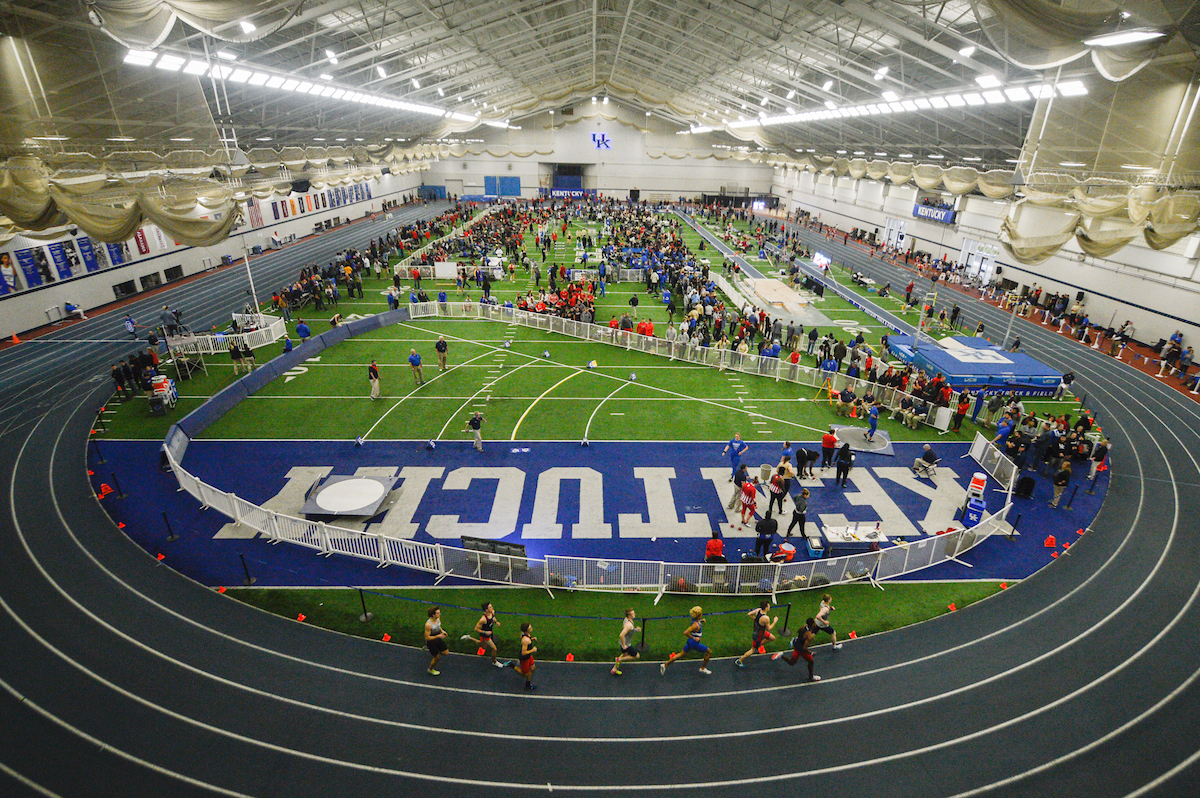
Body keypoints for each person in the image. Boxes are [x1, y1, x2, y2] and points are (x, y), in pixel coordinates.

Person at [660, 606, 712, 675]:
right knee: (709, 652)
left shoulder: (695, 620)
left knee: (681, 654)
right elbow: (686, 632)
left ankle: (665, 665)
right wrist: (694, 638)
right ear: (699, 615)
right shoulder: (695, 625)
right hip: (694, 643)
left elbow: (696, 623)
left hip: (690, 642)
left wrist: (701, 621)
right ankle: (702, 668)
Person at [461, 601, 505, 667]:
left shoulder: (492, 612)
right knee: (494, 649)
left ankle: (469, 638)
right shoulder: (483, 619)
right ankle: (495, 662)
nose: (492, 608)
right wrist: (485, 632)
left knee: (482, 645)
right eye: (490, 607)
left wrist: (496, 622)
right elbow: (476, 629)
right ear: (486, 610)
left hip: (490, 632)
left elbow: (493, 618)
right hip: (485, 635)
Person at [736, 600, 778, 668]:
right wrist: (775, 621)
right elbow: (769, 628)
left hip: (760, 631)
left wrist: (756, 619)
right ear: (766, 608)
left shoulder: (758, 610)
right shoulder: (766, 618)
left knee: (772, 638)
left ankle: (759, 644)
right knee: (753, 650)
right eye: (768, 605)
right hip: (759, 635)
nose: (770, 606)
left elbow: (749, 614)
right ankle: (740, 660)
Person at [612, 609, 642, 676]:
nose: (635, 614)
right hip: (627, 644)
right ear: (629, 615)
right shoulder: (629, 625)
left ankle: (614, 669)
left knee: (625, 654)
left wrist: (636, 630)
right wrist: (624, 645)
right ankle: (619, 659)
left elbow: (629, 630)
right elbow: (621, 635)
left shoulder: (626, 620)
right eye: (633, 614)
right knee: (637, 656)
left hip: (622, 643)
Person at [424, 606, 449, 676]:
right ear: (433, 615)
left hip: (437, 638)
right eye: (438, 613)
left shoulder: (437, 619)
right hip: (431, 641)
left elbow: (438, 626)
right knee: (437, 658)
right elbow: (427, 638)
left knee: (446, 653)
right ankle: (430, 669)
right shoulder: (428, 625)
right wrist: (438, 636)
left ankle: (435, 651)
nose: (439, 614)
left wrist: (442, 631)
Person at [513, 622, 538, 691]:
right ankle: (512, 665)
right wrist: (532, 650)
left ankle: (528, 684)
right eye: (530, 628)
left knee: (532, 668)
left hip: (529, 656)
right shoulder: (525, 640)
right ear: (526, 630)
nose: (531, 628)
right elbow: (523, 653)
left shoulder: (526, 635)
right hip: (525, 658)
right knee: (525, 674)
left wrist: (531, 639)